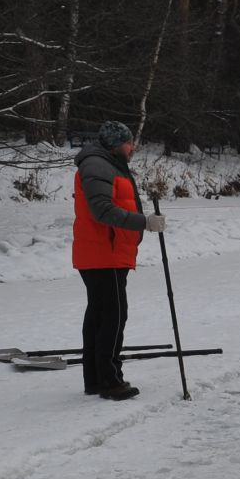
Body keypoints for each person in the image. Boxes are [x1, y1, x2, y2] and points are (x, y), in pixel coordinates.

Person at [72, 120, 162, 401]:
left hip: (107, 253)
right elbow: (102, 210)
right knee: (113, 316)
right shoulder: (98, 165)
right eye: (128, 142)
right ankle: (110, 380)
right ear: (115, 144)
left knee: (100, 315)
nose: (132, 147)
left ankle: (96, 379)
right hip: (103, 254)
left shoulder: (107, 164)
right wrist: (144, 222)